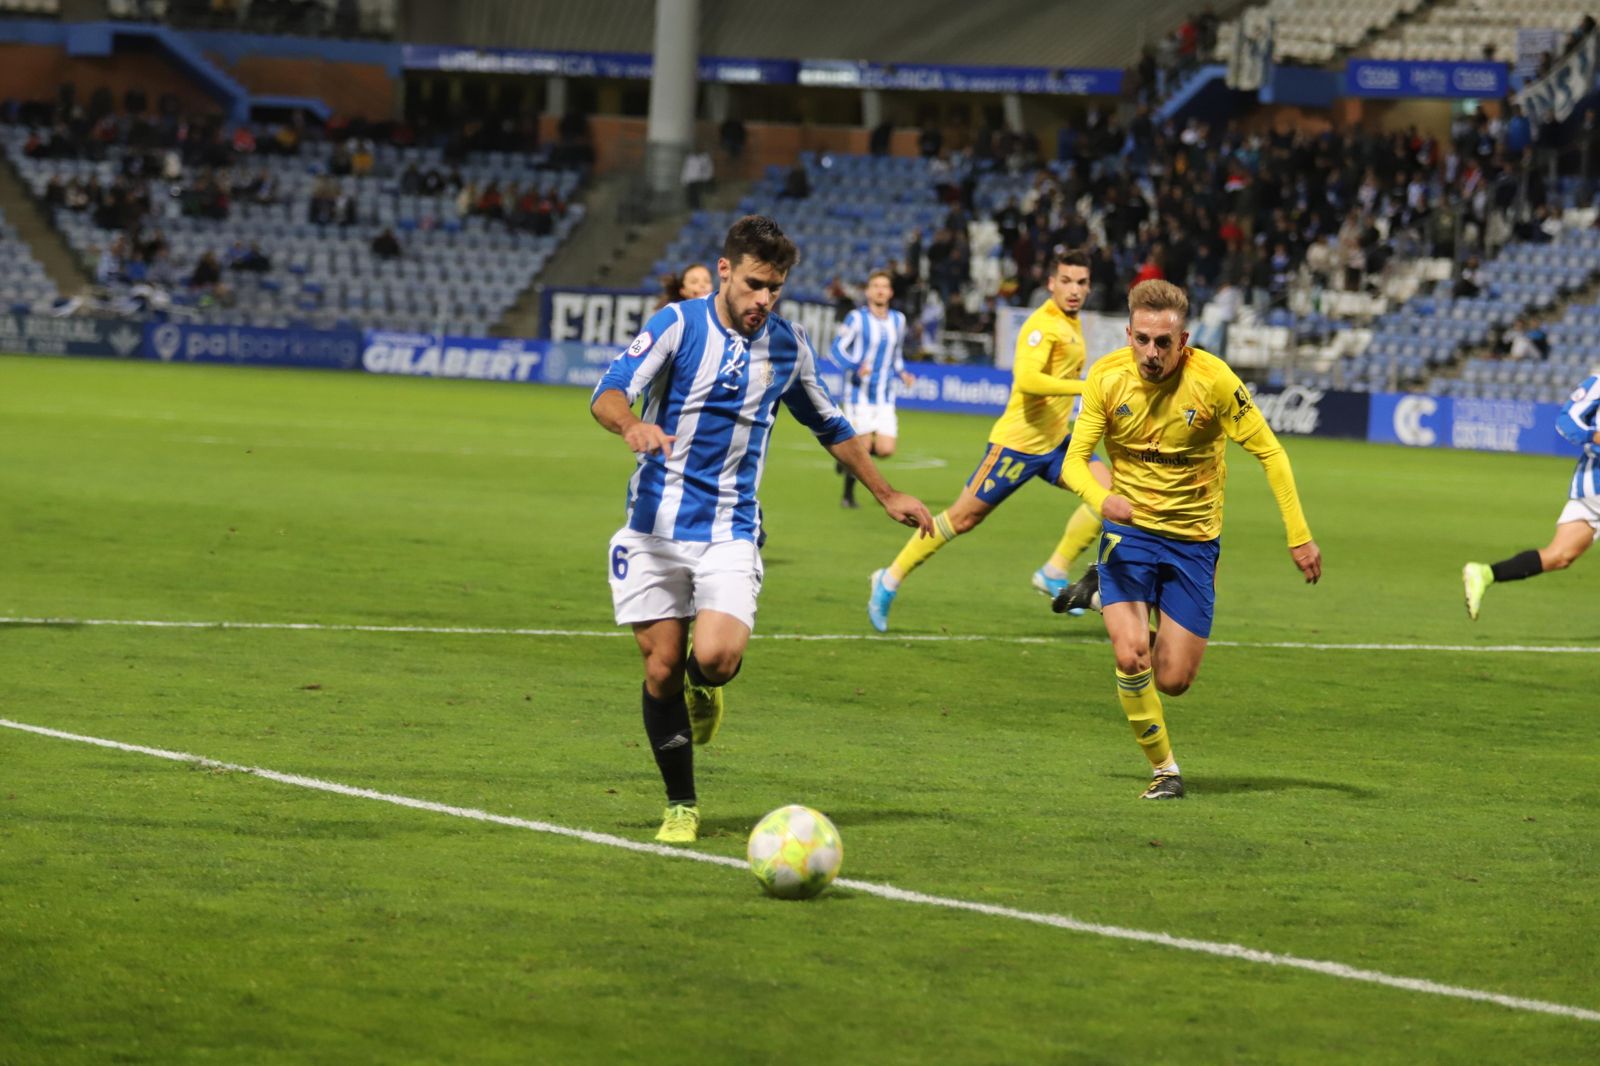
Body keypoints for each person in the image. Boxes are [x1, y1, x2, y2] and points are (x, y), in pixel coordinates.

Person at [590, 215, 934, 844]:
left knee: (715, 659)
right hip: (653, 528)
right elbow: (609, 393)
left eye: (774, 288)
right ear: (725, 271)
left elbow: (831, 424)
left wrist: (886, 492)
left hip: (730, 527)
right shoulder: (676, 324)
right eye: (753, 284)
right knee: (660, 667)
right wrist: (630, 426)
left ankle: (707, 684)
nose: (763, 300)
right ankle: (682, 805)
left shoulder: (787, 345)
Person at [1053, 280, 1321, 800]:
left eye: (1164, 342)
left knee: (1173, 679)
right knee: (1130, 655)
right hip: (1127, 534)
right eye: (1143, 340)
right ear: (1129, 334)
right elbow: (1072, 460)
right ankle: (1166, 771)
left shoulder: (1214, 380)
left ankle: (1101, 595)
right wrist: (1100, 498)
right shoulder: (1106, 379)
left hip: (1193, 543)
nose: (1152, 353)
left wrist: (1299, 536)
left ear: (1185, 340)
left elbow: (1271, 453)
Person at [866, 250, 1114, 632]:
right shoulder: (1041, 326)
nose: (1074, 290)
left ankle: (1054, 570)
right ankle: (887, 578)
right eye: (1066, 281)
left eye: (1081, 282)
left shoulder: (1072, 323)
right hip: (1015, 445)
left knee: (1111, 496)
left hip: (1056, 443)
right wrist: (1088, 387)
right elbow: (1028, 381)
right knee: (961, 519)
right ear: (1051, 283)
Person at [1463, 374, 1600, 620]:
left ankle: (1486, 573)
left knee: (1560, 556)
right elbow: (1566, 421)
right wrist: (1594, 436)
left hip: (1590, 490)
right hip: (1595, 482)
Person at [830, 270, 914, 508]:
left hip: (885, 394)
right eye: (875, 285)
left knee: (886, 449)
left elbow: (896, 354)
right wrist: (855, 367)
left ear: (890, 292)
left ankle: (846, 461)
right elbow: (836, 349)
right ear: (867, 291)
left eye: (884, 286)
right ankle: (848, 495)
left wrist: (903, 373)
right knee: (864, 446)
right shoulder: (856, 318)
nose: (879, 290)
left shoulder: (899, 320)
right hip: (860, 395)